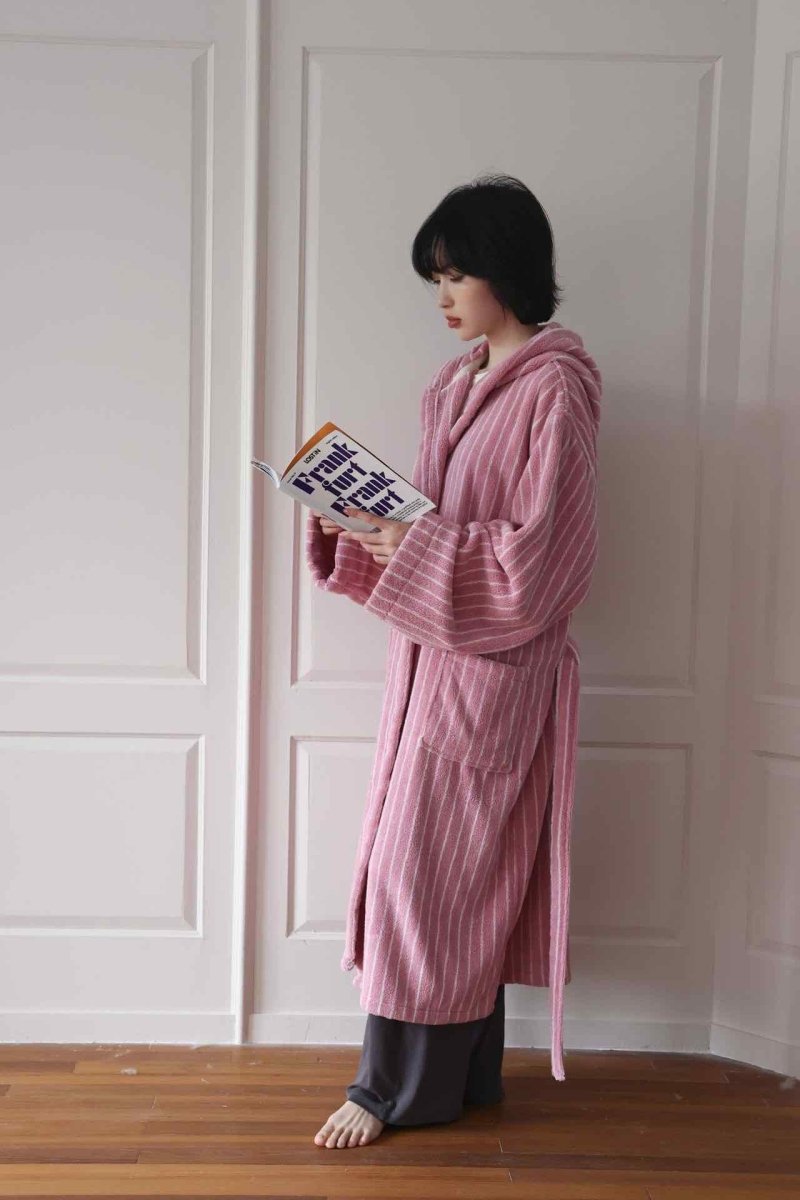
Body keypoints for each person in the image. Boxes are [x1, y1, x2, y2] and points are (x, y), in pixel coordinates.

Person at [306, 173, 602, 1150]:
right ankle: (464, 1079)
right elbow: (432, 526)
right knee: (445, 883)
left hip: (493, 677)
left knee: (424, 881)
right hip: (430, 668)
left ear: (505, 270)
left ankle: (392, 1088)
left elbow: (546, 558)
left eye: (454, 275)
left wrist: (418, 545)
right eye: (433, 278)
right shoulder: (453, 385)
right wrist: (361, 528)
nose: (441, 297)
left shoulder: (555, 389)